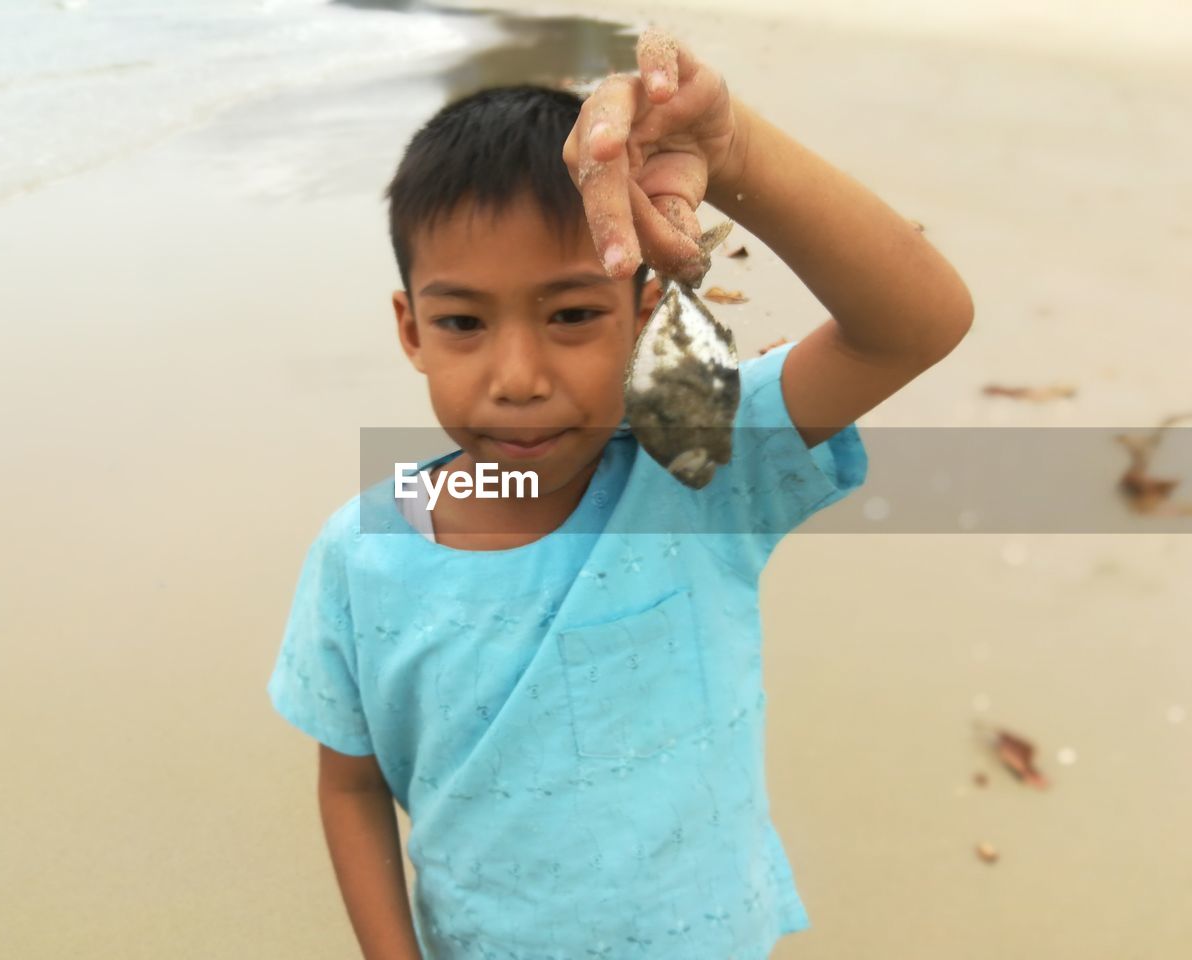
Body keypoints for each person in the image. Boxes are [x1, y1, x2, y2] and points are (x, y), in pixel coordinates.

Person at [267, 27, 972, 960]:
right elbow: (352, 785)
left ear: (640, 314)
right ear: (411, 329)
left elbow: (915, 323)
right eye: (464, 322)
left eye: (571, 314)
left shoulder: (699, 463)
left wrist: (733, 152)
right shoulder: (360, 551)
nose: (517, 376)